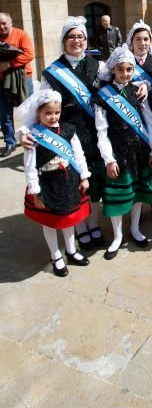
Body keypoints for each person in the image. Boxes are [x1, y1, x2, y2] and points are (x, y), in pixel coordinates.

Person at [20, 17, 106, 250]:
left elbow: (119, 82)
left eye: (81, 37)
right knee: (73, 183)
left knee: (93, 183)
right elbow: (39, 105)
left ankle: (93, 222)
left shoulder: (98, 66)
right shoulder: (52, 72)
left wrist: (142, 86)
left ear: (86, 40)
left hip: (93, 133)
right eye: (71, 37)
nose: (76, 41)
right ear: (64, 41)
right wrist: (23, 131)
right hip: (65, 136)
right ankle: (79, 227)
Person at [95, 45, 152, 259]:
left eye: (129, 69)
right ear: (113, 70)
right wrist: (108, 158)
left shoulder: (137, 90)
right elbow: (101, 130)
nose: (125, 74)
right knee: (117, 197)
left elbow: (149, 123)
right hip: (118, 152)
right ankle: (117, 236)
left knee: (137, 194)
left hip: (140, 150)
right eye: (121, 70)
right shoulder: (102, 96)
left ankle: (135, 228)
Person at [18, 90, 91, 277]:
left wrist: (84, 176)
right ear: (38, 114)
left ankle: (71, 250)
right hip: (47, 185)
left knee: (68, 219)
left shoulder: (68, 130)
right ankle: (55, 255)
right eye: (47, 113)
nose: (53, 117)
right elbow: (29, 166)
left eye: (56, 112)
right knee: (49, 222)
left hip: (68, 182)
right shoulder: (33, 136)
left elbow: (78, 154)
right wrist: (35, 192)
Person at [126, 19, 152, 220]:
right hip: (132, 122)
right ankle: (138, 205)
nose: (143, 43)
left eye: (146, 39)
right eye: (138, 39)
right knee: (138, 163)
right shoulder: (124, 63)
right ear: (131, 42)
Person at [0, 12, 34, 157]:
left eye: (4, 23)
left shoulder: (21, 35)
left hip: (23, 79)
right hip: (1, 80)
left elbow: (29, 54)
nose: (1, 27)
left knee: (29, 111)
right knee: (4, 113)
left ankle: (33, 137)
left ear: (10, 22)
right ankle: (9, 142)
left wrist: (8, 64)